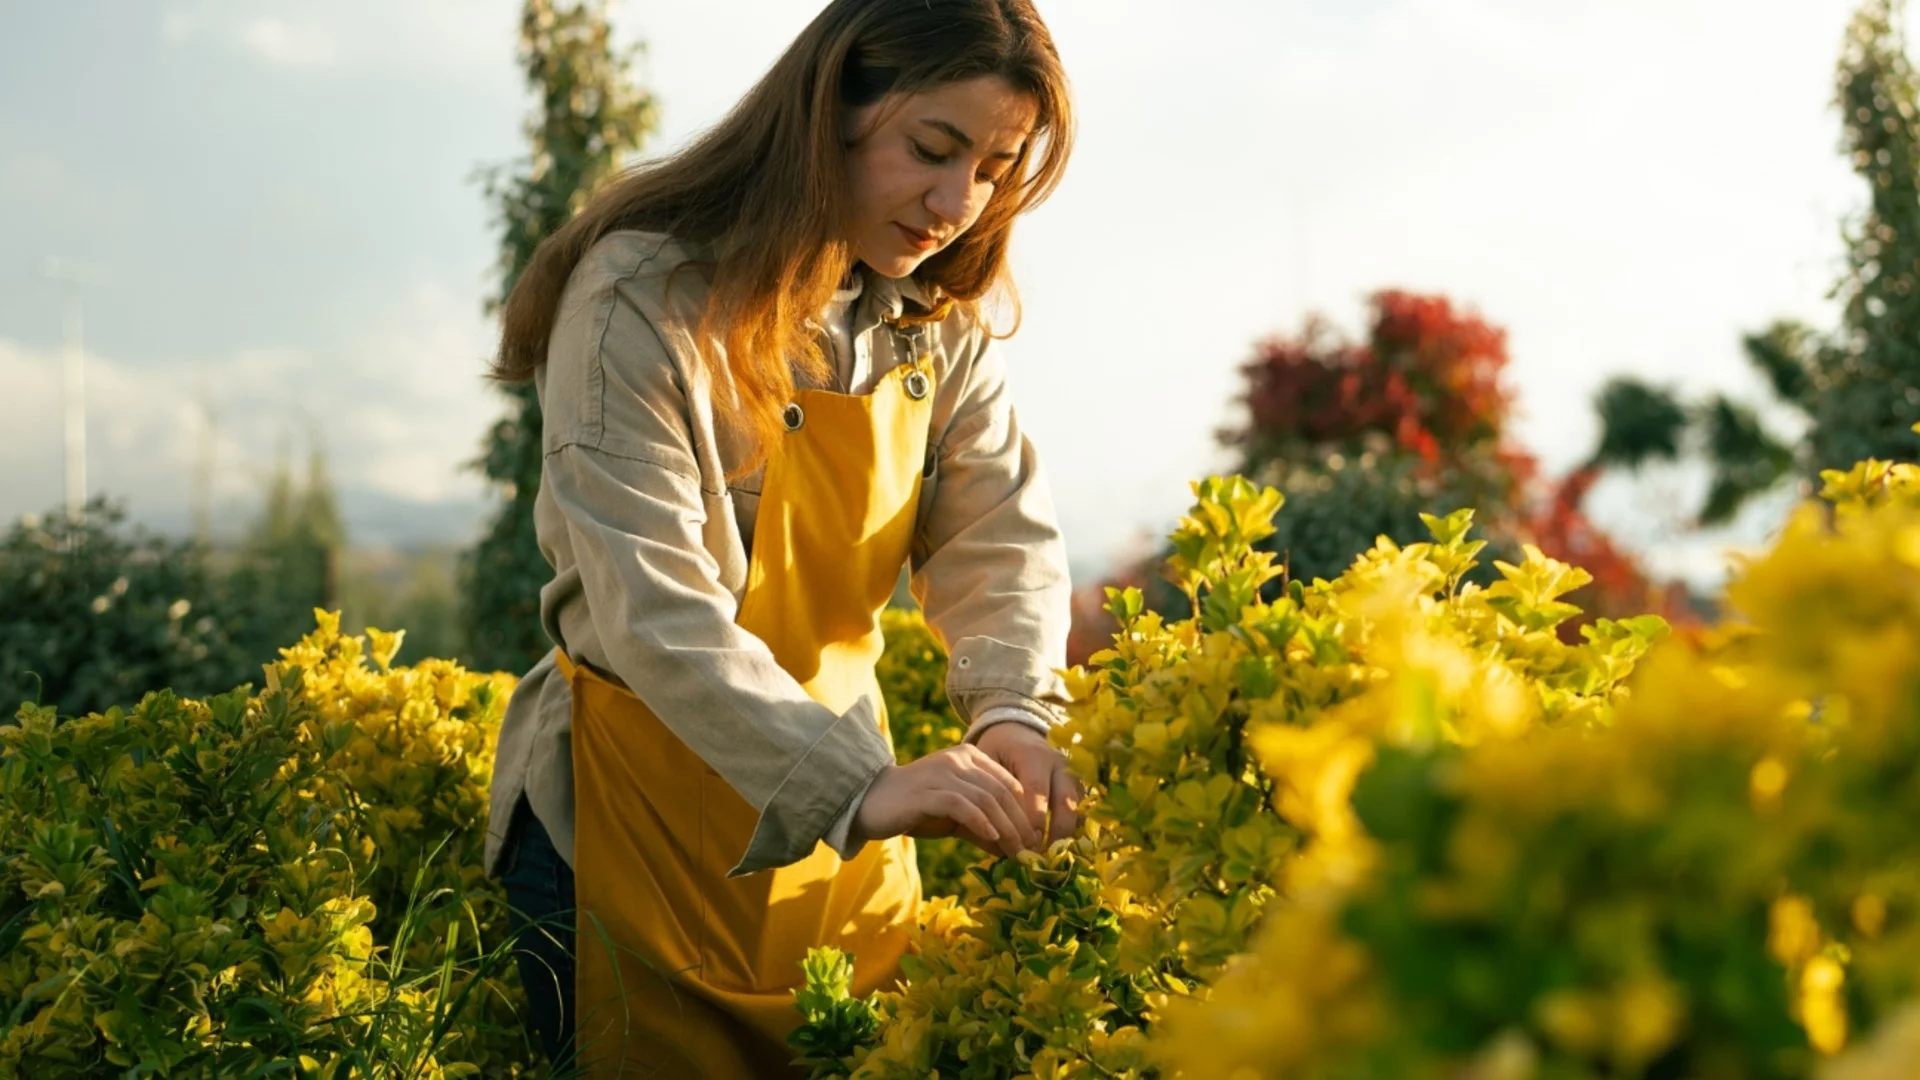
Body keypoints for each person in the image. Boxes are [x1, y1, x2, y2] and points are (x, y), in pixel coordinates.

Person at [481, 0, 1078, 1075]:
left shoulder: (931, 330)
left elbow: (1000, 540)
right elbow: (652, 605)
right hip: (628, 835)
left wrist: (1013, 718)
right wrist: (853, 786)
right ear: (827, 112)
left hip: (847, 852)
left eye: (993, 166)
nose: (958, 204)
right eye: (931, 150)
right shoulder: (640, 300)